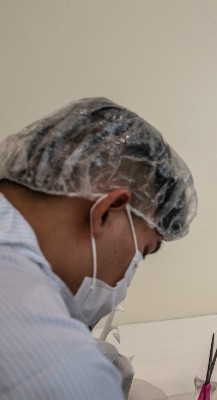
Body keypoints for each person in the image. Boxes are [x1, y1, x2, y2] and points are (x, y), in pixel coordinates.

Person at [0, 98, 197, 399]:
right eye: (144, 250)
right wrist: (84, 372)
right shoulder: (58, 367)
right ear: (107, 211)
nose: (124, 280)